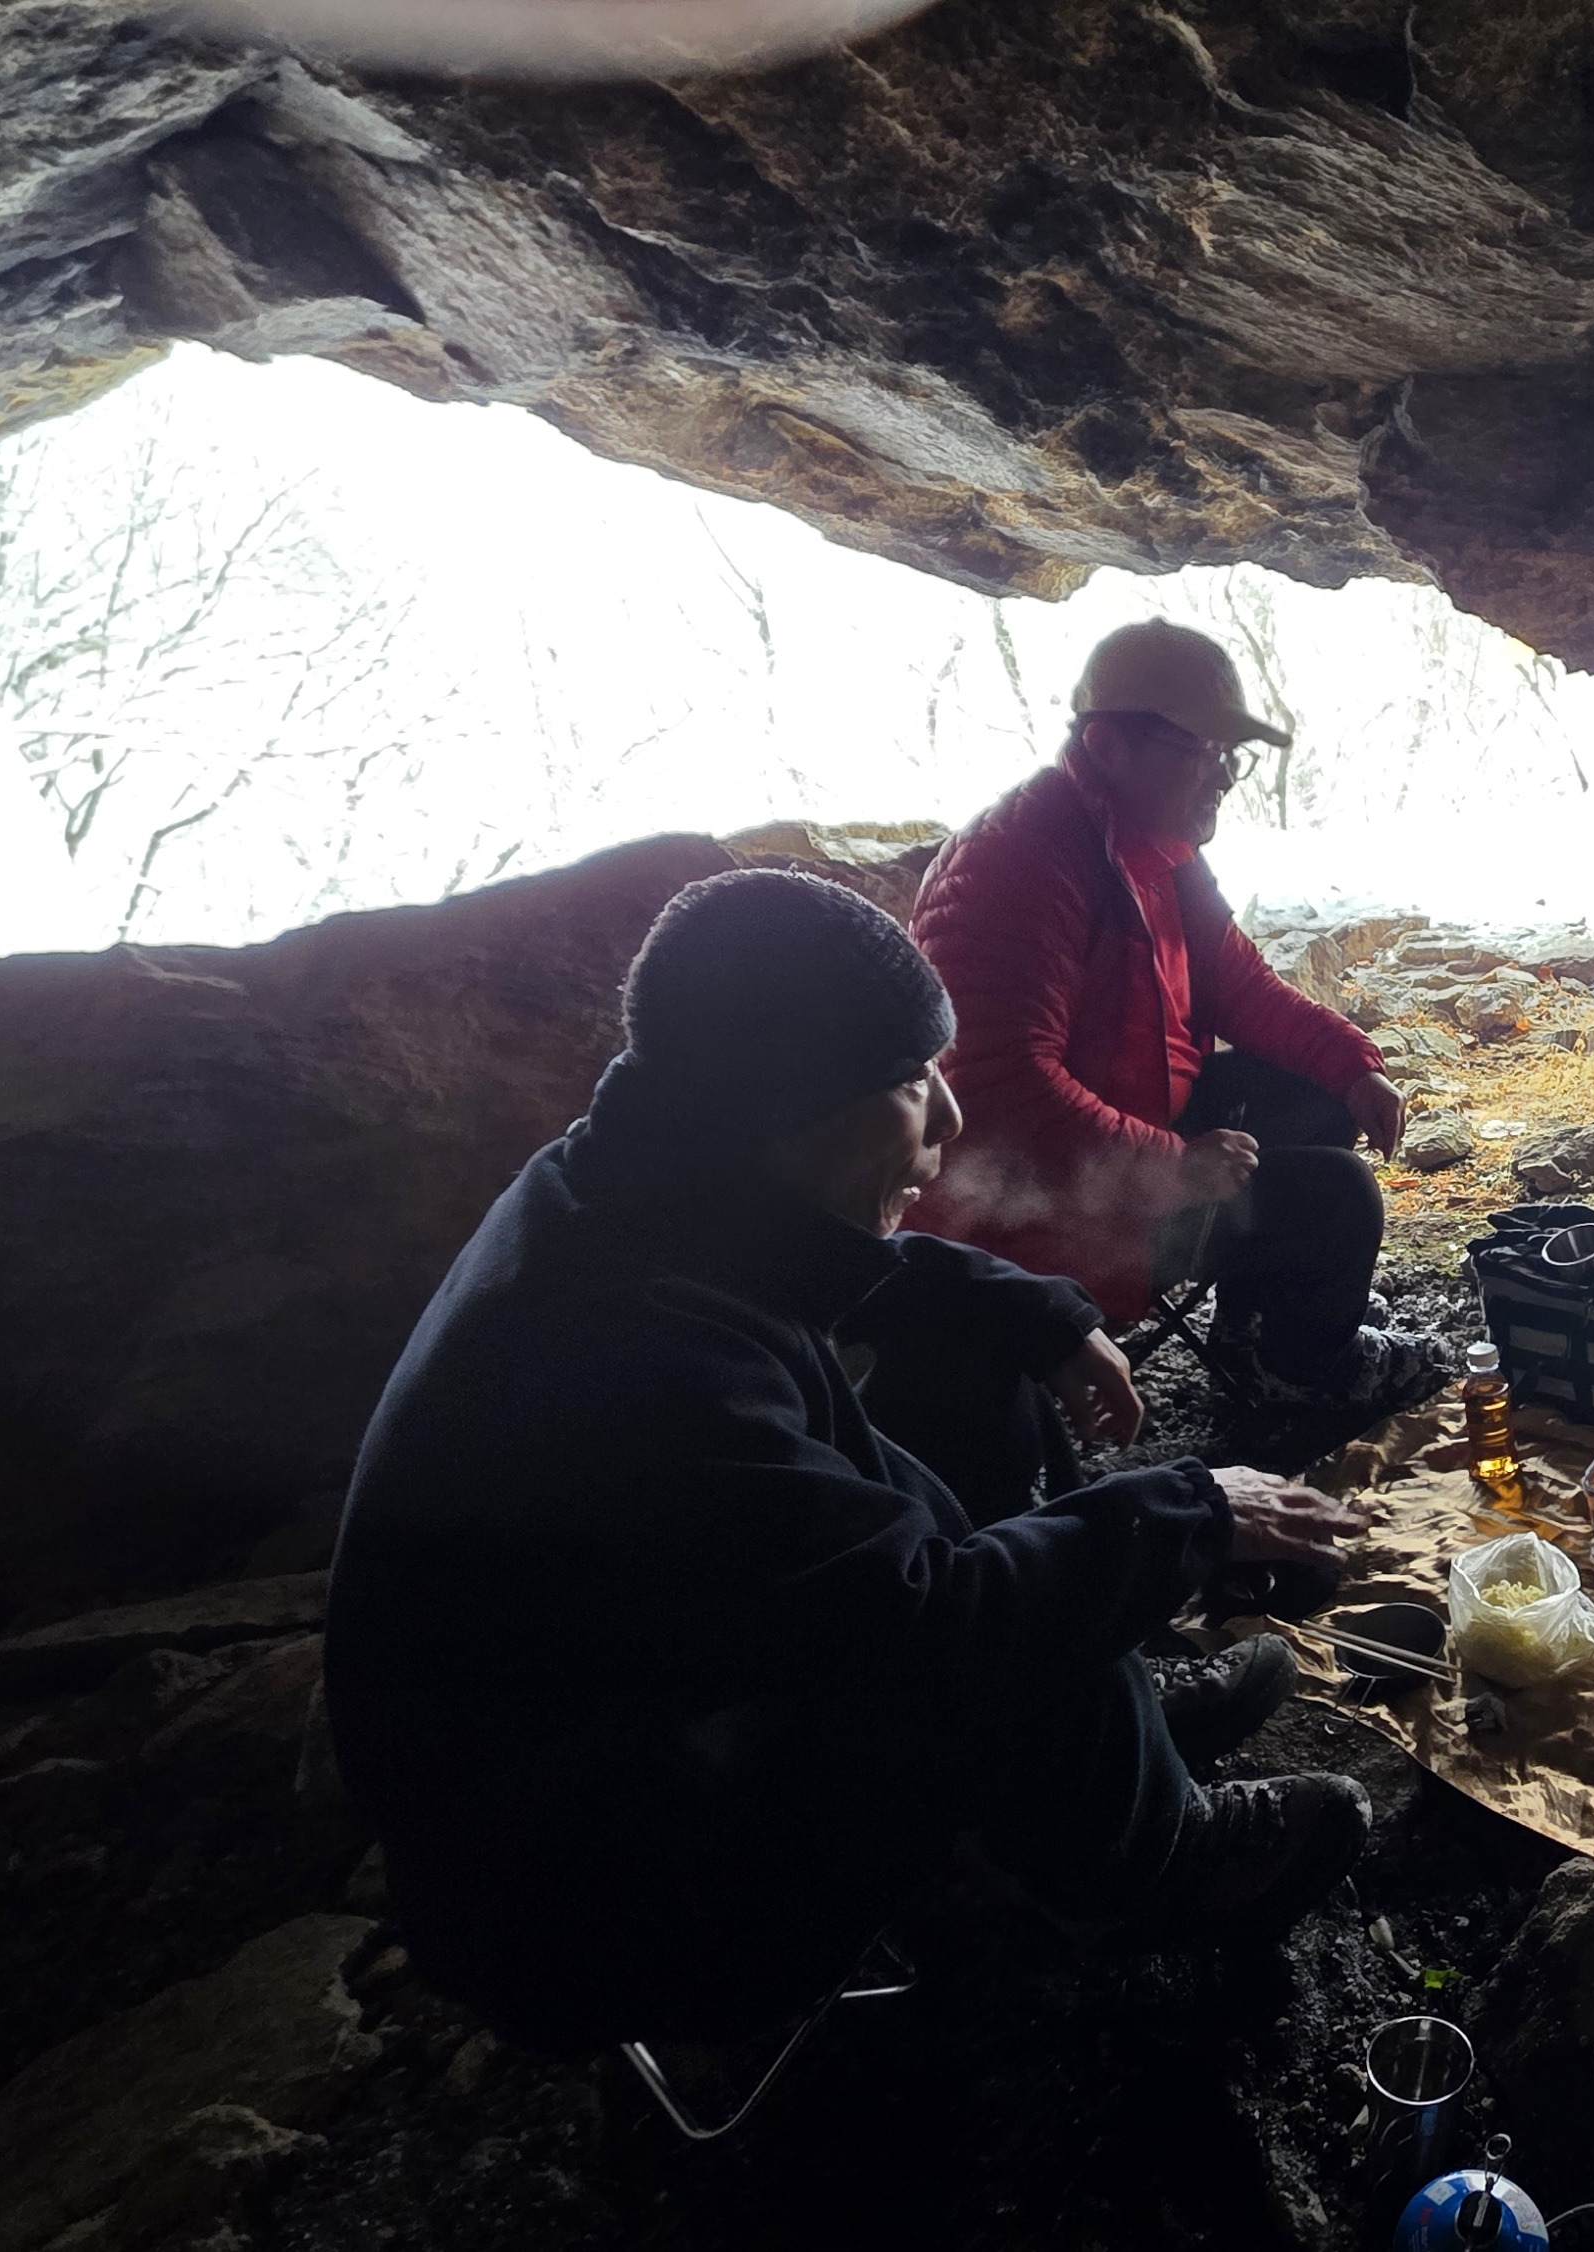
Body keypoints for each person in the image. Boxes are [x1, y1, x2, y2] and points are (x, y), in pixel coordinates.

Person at [328, 869, 1378, 2053]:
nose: (949, 1118)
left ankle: (1105, 1720)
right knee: (1003, 1597)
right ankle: (1140, 1866)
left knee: (972, 1387)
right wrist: (1192, 1511)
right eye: (908, 1079)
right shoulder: (632, 1369)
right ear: (782, 1106)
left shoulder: (624, 1182)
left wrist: (1032, 1311)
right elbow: (930, 1633)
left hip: (641, 1725)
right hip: (616, 1891)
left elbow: (809, 1268)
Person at [910, 620, 1444, 1410]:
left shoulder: (1154, 849)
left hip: (1120, 1134)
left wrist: (1352, 1065)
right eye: (1203, 750)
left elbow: (1239, 985)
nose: (1226, 776)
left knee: (1320, 1092)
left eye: (1232, 754)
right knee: (1338, 1197)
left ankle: (1254, 1341)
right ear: (1108, 745)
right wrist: (1171, 1167)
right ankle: (1309, 1378)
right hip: (1032, 1208)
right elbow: (997, 1093)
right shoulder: (1020, 864)